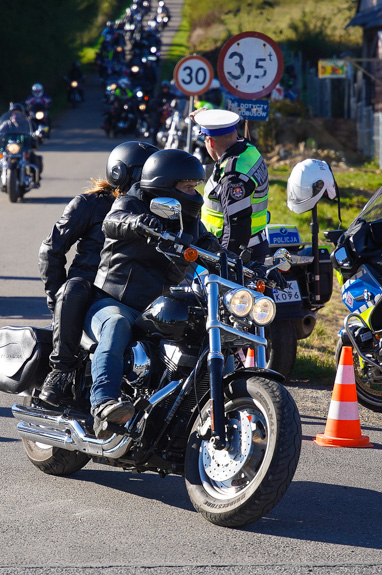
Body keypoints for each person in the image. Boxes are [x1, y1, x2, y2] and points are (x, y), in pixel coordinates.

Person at [86, 149, 221, 438]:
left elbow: (211, 245)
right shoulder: (131, 203)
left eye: (195, 186)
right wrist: (137, 224)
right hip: (111, 302)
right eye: (187, 186)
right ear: (165, 184)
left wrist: (248, 265)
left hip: (155, 311)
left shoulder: (188, 221)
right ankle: (103, 404)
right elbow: (114, 221)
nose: (194, 192)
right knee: (117, 325)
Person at [36, 142, 159, 406]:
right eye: (142, 173)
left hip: (131, 295)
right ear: (121, 173)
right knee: (74, 288)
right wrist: (56, 298)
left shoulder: (156, 211)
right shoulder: (90, 204)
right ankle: (62, 370)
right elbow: (50, 250)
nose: (148, 181)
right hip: (88, 294)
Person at [191, 108, 271, 262]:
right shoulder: (247, 149)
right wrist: (206, 118)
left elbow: (236, 228)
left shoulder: (233, 177)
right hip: (255, 245)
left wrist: (225, 264)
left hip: (239, 255)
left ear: (210, 141)